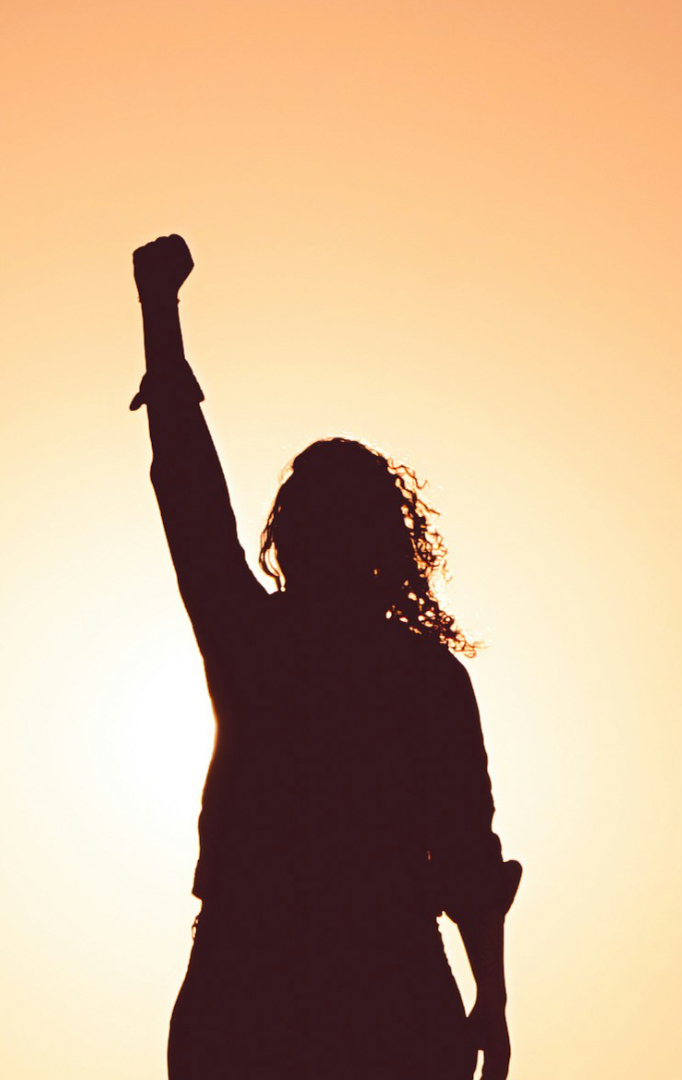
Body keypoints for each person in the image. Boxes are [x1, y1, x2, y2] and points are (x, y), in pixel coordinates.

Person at [130, 234, 521, 1080]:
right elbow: (467, 858)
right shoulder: (417, 675)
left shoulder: (258, 642)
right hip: (356, 983)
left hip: (280, 981)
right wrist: (489, 998)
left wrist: (160, 317)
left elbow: (191, 496)